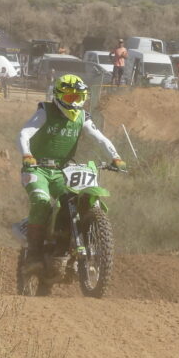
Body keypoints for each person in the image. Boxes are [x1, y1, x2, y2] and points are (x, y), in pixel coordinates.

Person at [19, 74, 126, 271]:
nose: (75, 102)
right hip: (37, 168)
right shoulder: (45, 111)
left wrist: (116, 157)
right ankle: (33, 254)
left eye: (79, 97)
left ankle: (65, 247)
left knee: (75, 201)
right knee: (42, 201)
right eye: (70, 97)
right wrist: (27, 154)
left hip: (63, 171)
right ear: (59, 96)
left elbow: (100, 138)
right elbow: (25, 133)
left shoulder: (83, 117)